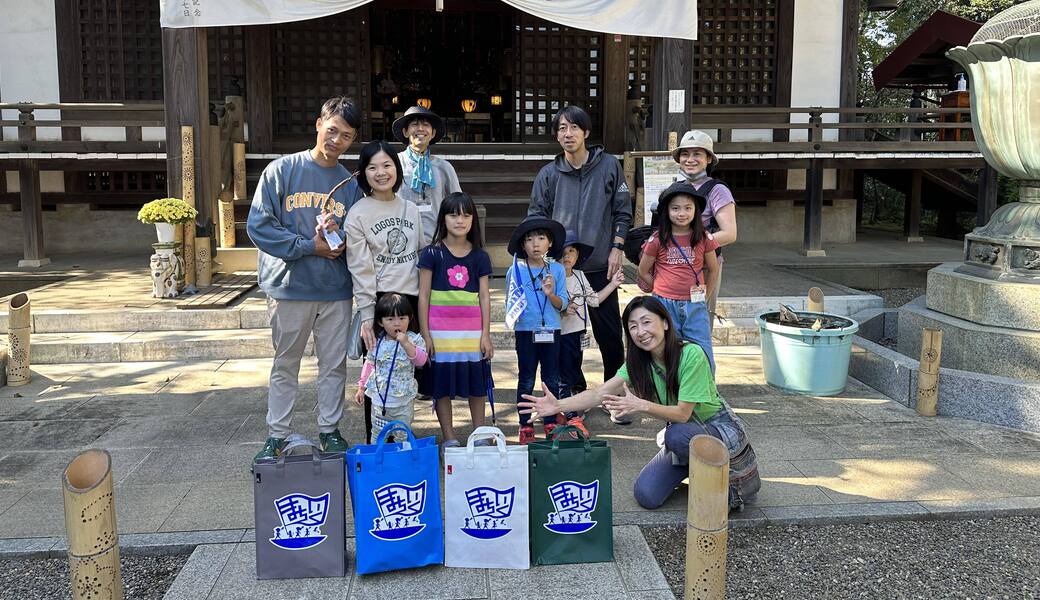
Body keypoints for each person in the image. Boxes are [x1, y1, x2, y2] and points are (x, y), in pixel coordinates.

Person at [519, 295, 760, 511]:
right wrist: (558, 406)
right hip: (685, 435)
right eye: (632, 326)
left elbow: (683, 414)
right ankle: (694, 468)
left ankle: (721, 478)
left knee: (675, 435)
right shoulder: (638, 363)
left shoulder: (691, 354)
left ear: (665, 323)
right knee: (646, 495)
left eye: (646, 322)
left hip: (714, 430)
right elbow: (599, 393)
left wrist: (640, 405)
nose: (640, 331)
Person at [246, 95, 363, 461]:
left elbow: (357, 234)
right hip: (290, 287)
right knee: (285, 363)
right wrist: (307, 245)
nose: (336, 141)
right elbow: (259, 226)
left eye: (345, 136)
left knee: (333, 365)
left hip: (335, 290)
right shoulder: (282, 171)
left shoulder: (350, 184)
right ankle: (277, 433)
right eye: (332, 131)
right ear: (318, 124)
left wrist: (341, 240)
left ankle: (329, 429)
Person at [528, 105, 632, 396]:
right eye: (561, 128)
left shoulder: (609, 165)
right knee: (566, 334)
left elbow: (623, 211)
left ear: (586, 132)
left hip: (601, 262)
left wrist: (617, 247)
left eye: (574, 127)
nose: (568, 133)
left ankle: (614, 391)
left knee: (610, 333)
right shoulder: (548, 174)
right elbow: (536, 217)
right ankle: (573, 389)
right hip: (562, 268)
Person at [344, 139, 424, 442]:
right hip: (379, 304)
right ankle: (376, 441)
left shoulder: (411, 209)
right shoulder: (358, 213)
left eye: (387, 165)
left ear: (397, 168)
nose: (381, 172)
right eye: (372, 167)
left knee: (406, 370)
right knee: (378, 373)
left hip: (410, 300)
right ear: (363, 173)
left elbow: (418, 252)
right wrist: (367, 314)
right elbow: (360, 266)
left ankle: (404, 438)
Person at [417, 192, 494, 448]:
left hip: (471, 335)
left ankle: (480, 432)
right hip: (440, 335)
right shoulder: (431, 254)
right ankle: (449, 436)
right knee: (441, 386)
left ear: (473, 220)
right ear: (443, 218)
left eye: (466, 214)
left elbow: (484, 296)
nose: (460, 220)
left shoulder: (480, 257)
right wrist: (426, 334)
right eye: (453, 214)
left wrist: (486, 334)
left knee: (477, 385)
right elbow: (424, 295)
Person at [638, 181, 719, 374]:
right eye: (675, 208)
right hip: (664, 304)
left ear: (696, 210)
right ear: (666, 211)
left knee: (702, 351)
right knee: (667, 351)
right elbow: (643, 270)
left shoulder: (703, 238)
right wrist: (659, 288)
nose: (681, 213)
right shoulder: (658, 239)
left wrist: (705, 297)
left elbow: (713, 269)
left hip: (694, 305)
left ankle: (705, 395)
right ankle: (669, 393)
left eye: (687, 208)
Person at [505, 216, 569, 445]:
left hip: (551, 329)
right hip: (525, 331)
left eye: (541, 238)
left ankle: (550, 420)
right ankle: (525, 423)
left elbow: (564, 304)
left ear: (549, 243)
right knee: (526, 377)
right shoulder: (515, 270)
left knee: (551, 377)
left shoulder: (557, 270)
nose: (535, 244)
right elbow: (509, 304)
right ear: (523, 245)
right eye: (529, 239)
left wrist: (550, 293)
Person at [557, 232, 624, 436]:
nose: (567, 256)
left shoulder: (579, 275)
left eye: (571, 252)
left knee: (575, 364)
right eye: (563, 253)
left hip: (578, 331)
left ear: (578, 256)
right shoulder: (553, 276)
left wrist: (613, 284)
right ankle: (567, 410)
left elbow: (593, 300)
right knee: (563, 371)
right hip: (559, 331)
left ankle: (569, 405)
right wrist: (560, 308)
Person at [672, 130, 737, 331]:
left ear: (709, 159)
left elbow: (729, 233)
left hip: (705, 267)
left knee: (698, 324)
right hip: (674, 265)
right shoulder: (675, 187)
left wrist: (693, 245)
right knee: (673, 324)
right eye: (685, 154)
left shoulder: (717, 190)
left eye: (697, 154)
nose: (690, 159)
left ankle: (702, 363)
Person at [354, 293, 427, 441]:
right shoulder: (377, 341)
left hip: (403, 402)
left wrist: (406, 344)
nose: (397, 323)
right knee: (377, 436)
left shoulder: (414, 339)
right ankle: (377, 460)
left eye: (402, 318)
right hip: (379, 403)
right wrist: (361, 387)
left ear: (410, 318)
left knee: (403, 436)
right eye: (390, 319)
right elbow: (370, 363)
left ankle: (401, 461)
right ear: (381, 322)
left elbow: (421, 361)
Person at [393, 106, 462, 243]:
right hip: (400, 242)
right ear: (405, 132)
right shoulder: (394, 164)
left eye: (426, 125)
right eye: (414, 124)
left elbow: (458, 205)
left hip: (436, 241)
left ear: (433, 133)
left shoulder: (444, 168)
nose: (420, 129)